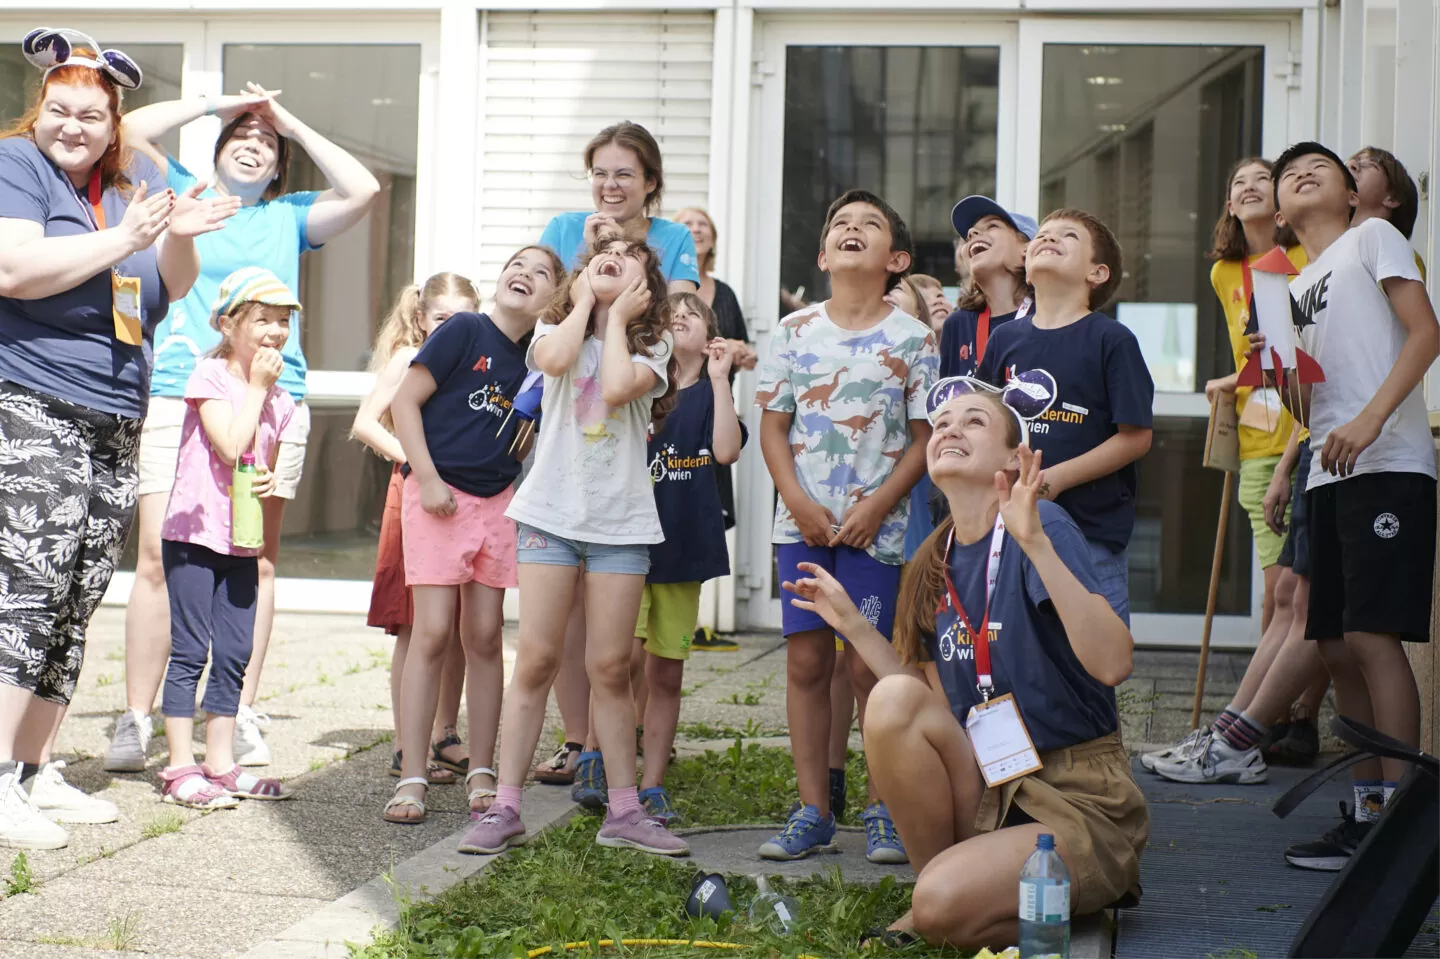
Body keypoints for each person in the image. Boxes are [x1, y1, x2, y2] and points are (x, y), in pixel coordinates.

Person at [784, 382, 1147, 949]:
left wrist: (1036, 545)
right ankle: (956, 893)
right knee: (891, 701)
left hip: (1076, 796)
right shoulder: (936, 556)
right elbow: (918, 701)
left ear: (1012, 458)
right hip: (989, 781)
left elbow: (1113, 662)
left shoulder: (1043, 526)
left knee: (939, 906)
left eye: (975, 421)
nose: (951, 428)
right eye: (944, 422)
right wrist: (853, 625)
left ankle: (959, 899)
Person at [0, 29, 234, 846]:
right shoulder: (17, 166)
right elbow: (15, 270)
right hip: (31, 399)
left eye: (91, 116)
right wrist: (127, 238)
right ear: (40, 111)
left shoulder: (118, 186)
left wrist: (178, 232)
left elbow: (163, 292)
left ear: (113, 126)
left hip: (115, 410)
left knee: (77, 591)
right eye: (60, 110)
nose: (73, 125)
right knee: (28, 584)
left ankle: (33, 768)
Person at [107, 81, 380, 773]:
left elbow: (365, 188)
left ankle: (237, 708)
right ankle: (138, 716)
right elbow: (132, 128)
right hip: (180, 390)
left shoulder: (289, 216)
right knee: (156, 558)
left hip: (272, 399)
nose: (254, 145)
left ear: (279, 164)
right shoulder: (183, 189)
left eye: (267, 143)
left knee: (253, 559)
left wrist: (287, 117)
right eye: (243, 137)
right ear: (222, 147)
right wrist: (216, 104)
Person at [459, 237, 690, 857]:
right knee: (536, 657)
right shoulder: (554, 325)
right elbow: (557, 362)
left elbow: (616, 387)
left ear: (648, 286)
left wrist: (616, 319)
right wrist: (586, 301)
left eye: (629, 252)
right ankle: (505, 807)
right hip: (549, 516)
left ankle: (624, 810)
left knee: (611, 667)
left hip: (620, 525)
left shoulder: (654, 345)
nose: (613, 253)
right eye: (601, 251)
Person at [1256, 142, 1437, 871]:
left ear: (1354, 194)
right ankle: (1365, 816)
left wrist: (1368, 420)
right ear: (1279, 208)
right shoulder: (1293, 284)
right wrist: (1278, 361)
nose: (1302, 172)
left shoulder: (1374, 238)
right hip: (1329, 475)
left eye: (1320, 168)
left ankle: (1400, 820)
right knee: (1332, 644)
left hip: (1386, 464)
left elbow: (1426, 334)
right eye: (1288, 173)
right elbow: (1306, 403)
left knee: (1370, 636)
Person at [754, 189, 938, 863]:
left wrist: (878, 505)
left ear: (896, 259)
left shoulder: (914, 340)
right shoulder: (793, 332)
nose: (852, 229)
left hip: (877, 531)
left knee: (869, 666)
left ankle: (884, 807)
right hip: (800, 525)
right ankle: (813, 808)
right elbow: (773, 427)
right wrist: (797, 501)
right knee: (806, 662)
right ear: (825, 253)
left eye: (870, 224)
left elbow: (923, 439)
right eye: (841, 224)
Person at [1144, 158, 1322, 783]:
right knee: (1281, 588)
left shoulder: (1305, 260)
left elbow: (1303, 356)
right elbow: (1253, 352)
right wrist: (1234, 380)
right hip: (1253, 432)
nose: (1246, 187)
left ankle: (1291, 716)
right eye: (1235, 182)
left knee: (1292, 590)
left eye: (1260, 178)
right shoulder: (1226, 271)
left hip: (1303, 428)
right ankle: (1266, 719)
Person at [536, 123, 700, 782]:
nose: (610, 185)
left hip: (642, 412)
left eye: (625, 173)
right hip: (569, 423)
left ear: (650, 182)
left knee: (626, 588)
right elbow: (548, 306)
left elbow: (684, 311)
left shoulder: (674, 239)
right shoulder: (565, 226)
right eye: (600, 172)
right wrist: (582, 260)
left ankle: (623, 737)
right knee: (568, 592)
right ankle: (579, 739)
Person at [382, 247, 561, 825]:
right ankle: (413, 772)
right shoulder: (463, 329)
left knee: (484, 635)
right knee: (432, 631)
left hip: (497, 503)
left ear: (553, 298)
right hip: (438, 496)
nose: (522, 274)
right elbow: (404, 402)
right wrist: (427, 479)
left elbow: (524, 439)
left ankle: (483, 768)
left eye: (540, 273)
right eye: (516, 263)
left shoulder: (540, 360)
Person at [158, 267, 298, 808]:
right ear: (227, 324)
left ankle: (220, 764)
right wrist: (257, 390)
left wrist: (267, 478)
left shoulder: (282, 400)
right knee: (191, 650)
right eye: (262, 319)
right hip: (193, 535)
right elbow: (230, 444)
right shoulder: (210, 377)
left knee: (235, 651)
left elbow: (262, 468)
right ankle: (178, 767)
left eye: (283, 321)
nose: (275, 331)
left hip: (242, 539)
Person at [976, 209, 1154, 625]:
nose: (1049, 238)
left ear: (1097, 273)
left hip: (1089, 531)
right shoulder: (1005, 339)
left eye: (1068, 236)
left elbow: (1135, 437)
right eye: (1043, 234)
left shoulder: (1112, 339)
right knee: (1017, 648)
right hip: (1009, 527)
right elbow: (987, 423)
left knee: (1088, 649)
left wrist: (1054, 481)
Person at [352, 274, 480, 784]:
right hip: (416, 494)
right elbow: (367, 421)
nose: (451, 326)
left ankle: (443, 733)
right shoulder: (410, 359)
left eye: (463, 317)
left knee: (457, 625)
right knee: (413, 625)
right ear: (423, 318)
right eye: (442, 316)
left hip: (464, 499)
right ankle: (408, 747)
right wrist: (423, 466)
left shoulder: (474, 360)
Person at [629, 292, 746, 823]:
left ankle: (652, 782)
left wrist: (721, 379)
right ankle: (606, 767)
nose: (680, 317)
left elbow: (726, 451)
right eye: (670, 314)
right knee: (619, 660)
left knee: (665, 671)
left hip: (684, 548)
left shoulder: (711, 393)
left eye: (692, 314)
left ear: (711, 336)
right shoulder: (642, 383)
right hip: (628, 543)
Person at [914, 197, 1036, 562]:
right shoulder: (959, 325)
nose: (974, 234)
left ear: (1027, 250)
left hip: (1031, 492)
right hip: (969, 499)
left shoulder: (1047, 321)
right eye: (970, 233)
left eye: (992, 226)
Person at [673, 205, 753, 652]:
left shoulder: (723, 293)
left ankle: (702, 617)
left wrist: (735, 355)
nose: (695, 230)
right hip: (670, 405)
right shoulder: (659, 288)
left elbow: (744, 347)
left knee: (706, 504)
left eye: (703, 224)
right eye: (687, 224)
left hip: (711, 408)